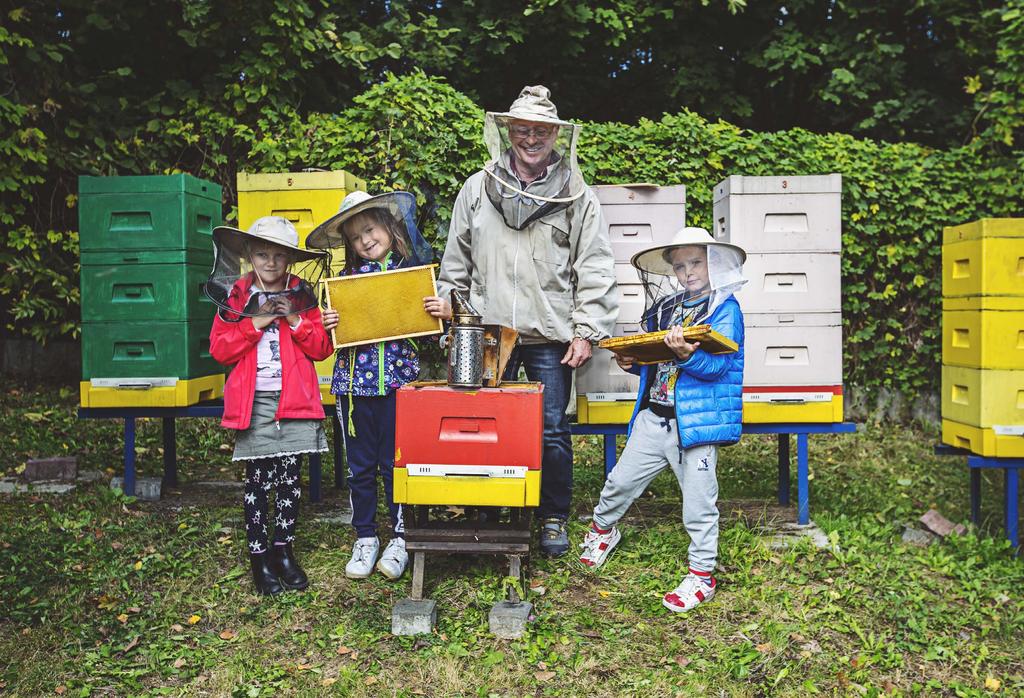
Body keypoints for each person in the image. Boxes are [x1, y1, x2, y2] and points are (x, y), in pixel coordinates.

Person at [424, 85, 617, 556]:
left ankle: (552, 517)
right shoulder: (476, 187)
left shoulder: (578, 196)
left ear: (556, 134)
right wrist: (454, 315)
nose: (532, 138)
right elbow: (457, 261)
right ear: (508, 131)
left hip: (549, 333)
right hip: (486, 331)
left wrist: (587, 329)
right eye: (523, 129)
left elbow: (593, 264)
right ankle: (489, 511)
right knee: (485, 422)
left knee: (551, 428)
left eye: (541, 130)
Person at [577, 227, 746, 614]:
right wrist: (631, 362)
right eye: (681, 265)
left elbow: (720, 368)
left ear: (714, 262)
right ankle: (604, 531)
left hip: (695, 429)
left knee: (700, 503)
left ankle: (702, 576)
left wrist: (687, 355)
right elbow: (658, 365)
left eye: (696, 263)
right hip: (654, 417)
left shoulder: (725, 310)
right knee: (619, 481)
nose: (688, 272)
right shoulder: (668, 308)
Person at [307, 190, 434, 580]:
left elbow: (431, 335)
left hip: (400, 388)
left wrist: (440, 310)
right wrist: (326, 324)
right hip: (354, 391)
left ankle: (400, 537)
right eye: (356, 236)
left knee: (396, 464)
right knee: (360, 467)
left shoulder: (410, 274)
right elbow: (326, 342)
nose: (365, 240)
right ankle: (365, 536)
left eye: (370, 229)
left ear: (389, 227)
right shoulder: (341, 284)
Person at [207, 216, 334, 596]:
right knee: (259, 481)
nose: (270, 263)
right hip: (256, 399)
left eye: (279, 256)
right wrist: (257, 321)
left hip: (294, 398)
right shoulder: (236, 295)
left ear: (290, 260)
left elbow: (321, 348)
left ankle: (283, 551)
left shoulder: (303, 295)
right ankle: (259, 557)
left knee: (290, 481)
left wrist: (294, 319)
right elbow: (219, 349)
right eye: (262, 254)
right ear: (248, 255)